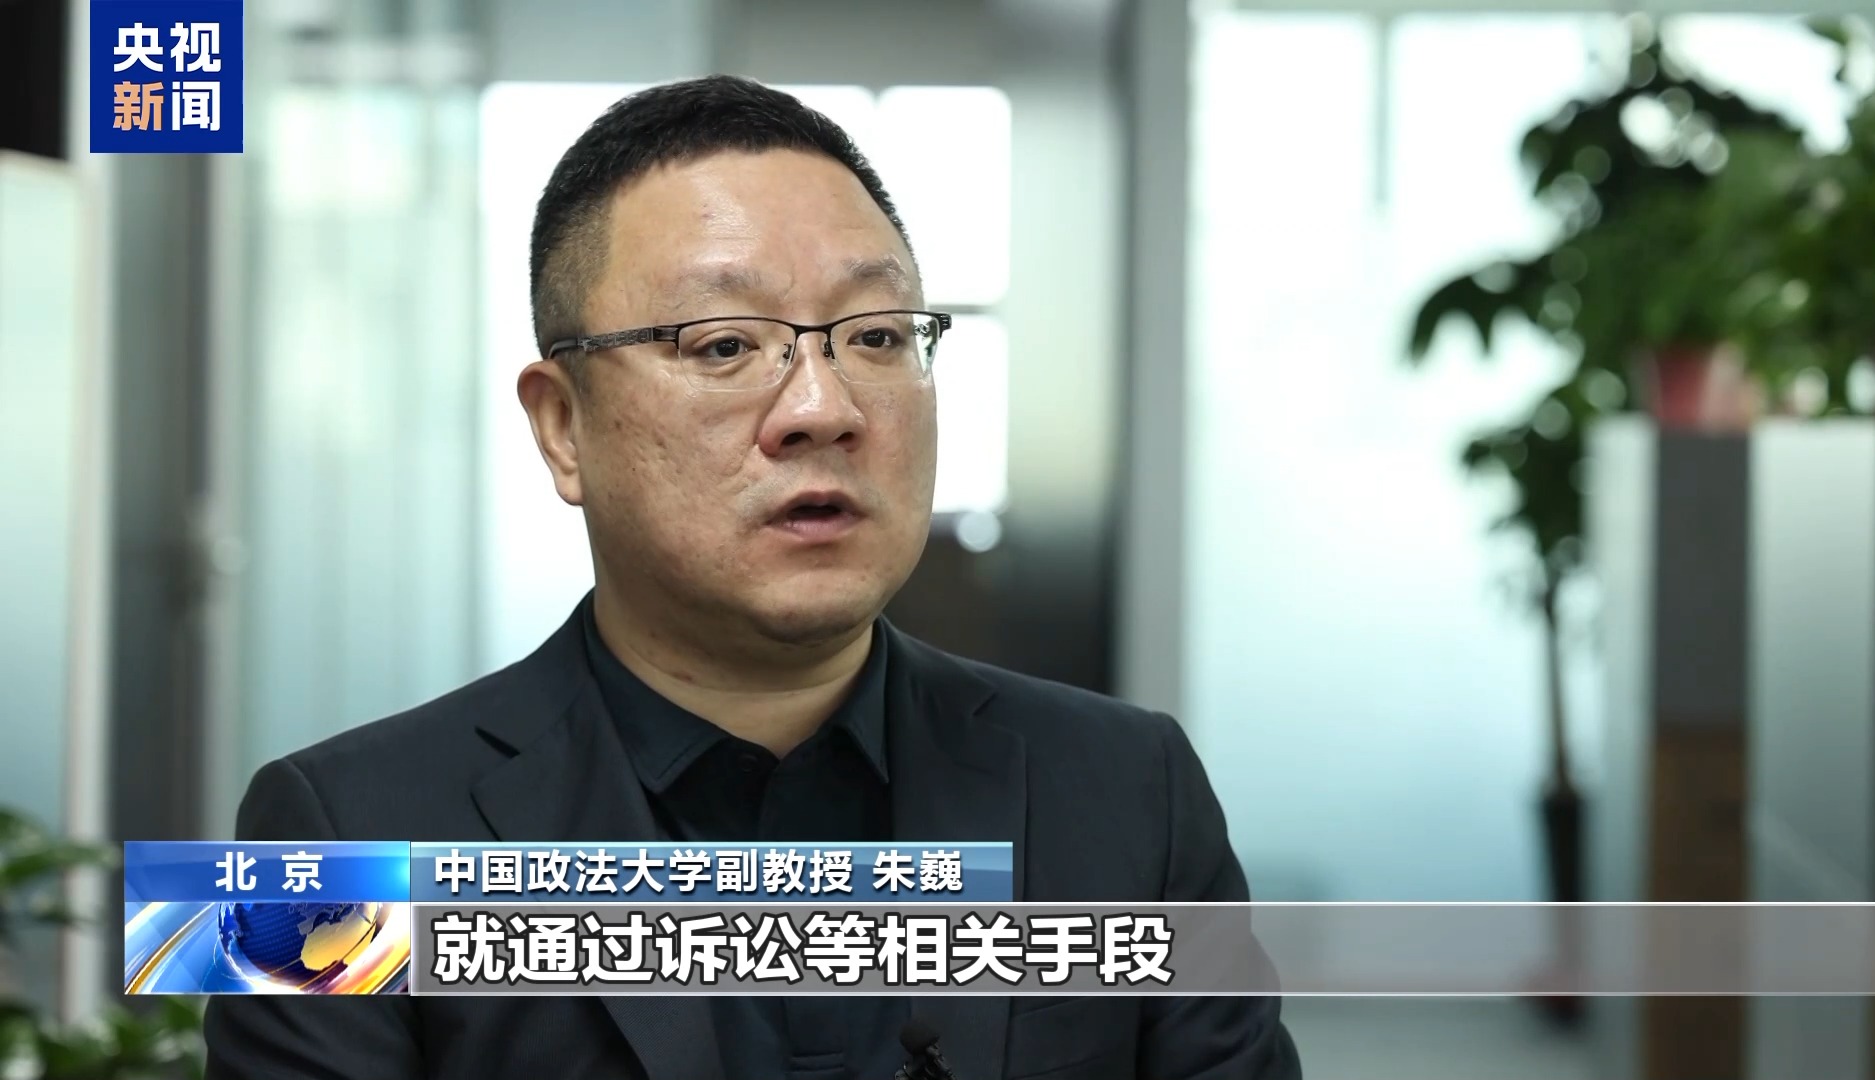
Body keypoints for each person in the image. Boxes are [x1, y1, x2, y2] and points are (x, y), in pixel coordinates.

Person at [203, 74, 1301, 1080]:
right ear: (563, 427)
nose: (824, 408)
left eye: (877, 336)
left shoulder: (1129, 790)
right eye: (724, 344)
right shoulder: (336, 838)